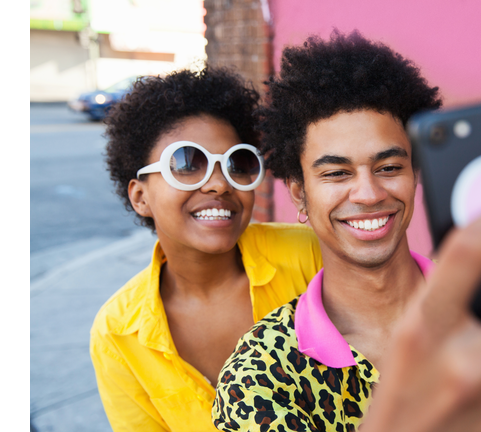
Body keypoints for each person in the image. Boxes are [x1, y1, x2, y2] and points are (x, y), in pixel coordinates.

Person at [212, 31, 481, 432]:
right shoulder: (261, 372)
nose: (368, 193)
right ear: (299, 193)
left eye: (388, 168)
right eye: (336, 173)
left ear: (415, 174)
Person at [90, 66, 323, 431]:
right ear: (140, 196)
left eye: (237, 163)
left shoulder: (310, 255)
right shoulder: (118, 332)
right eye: (186, 164)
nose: (218, 183)